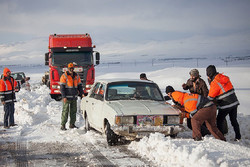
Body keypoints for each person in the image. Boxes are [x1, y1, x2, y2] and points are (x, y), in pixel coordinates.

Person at [206, 65, 241, 140]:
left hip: (226, 104)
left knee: (219, 120)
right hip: (234, 102)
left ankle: (221, 137)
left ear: (209, 74)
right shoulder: (223, 77)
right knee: (234, 120)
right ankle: (238, 136)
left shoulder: (215, 82)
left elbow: (211, 97)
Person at [182, 69, 210, 136]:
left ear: (197, 76)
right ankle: (198, 131)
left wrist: (203, 103)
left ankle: (205, 132)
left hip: (200, 102)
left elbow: (205, 93)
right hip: (192, 102)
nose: (191, 77)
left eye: (193, 76)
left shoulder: (202, 82)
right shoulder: (189, 81)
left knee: (200, 119)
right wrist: (185, 87)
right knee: (191, 119)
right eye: (191, 76)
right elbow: (187, 87)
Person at [60, 63, 84, 130]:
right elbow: (62, 88)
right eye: (70, 68)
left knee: (73, 111)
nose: (71, 69)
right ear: (68, 68)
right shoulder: (64, 76)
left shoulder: (77, 76)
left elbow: (79, 86)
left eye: (72, 68)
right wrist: (64, 96)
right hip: (67, 98)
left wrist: (82, 93)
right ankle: (63, 125)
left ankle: (72, 124)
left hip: (74, 97)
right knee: (65, 111)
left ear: (74, 68)